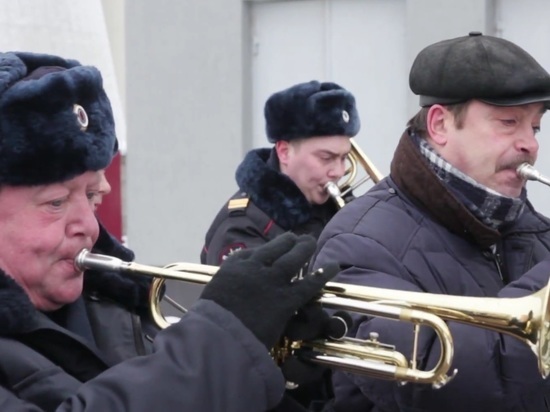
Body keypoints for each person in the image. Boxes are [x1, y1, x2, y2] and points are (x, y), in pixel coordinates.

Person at [0, 51, 339, 411]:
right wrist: (218, 346)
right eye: (55, 203)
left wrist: (270, 367)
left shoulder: (123, 306)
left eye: (92, 196)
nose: (88, 225)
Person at [312, 32, 550, 412]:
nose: (531, 144)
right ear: (439, 124)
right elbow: (445, 384)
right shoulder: (358, 244)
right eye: (509, 122)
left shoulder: (534, 231)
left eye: (534, 127)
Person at [201, 80, 360, 266]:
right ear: (285, 152)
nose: (339, 172)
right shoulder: (240, 227)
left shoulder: (338, 209)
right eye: (326, 158)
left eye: (344, 158)